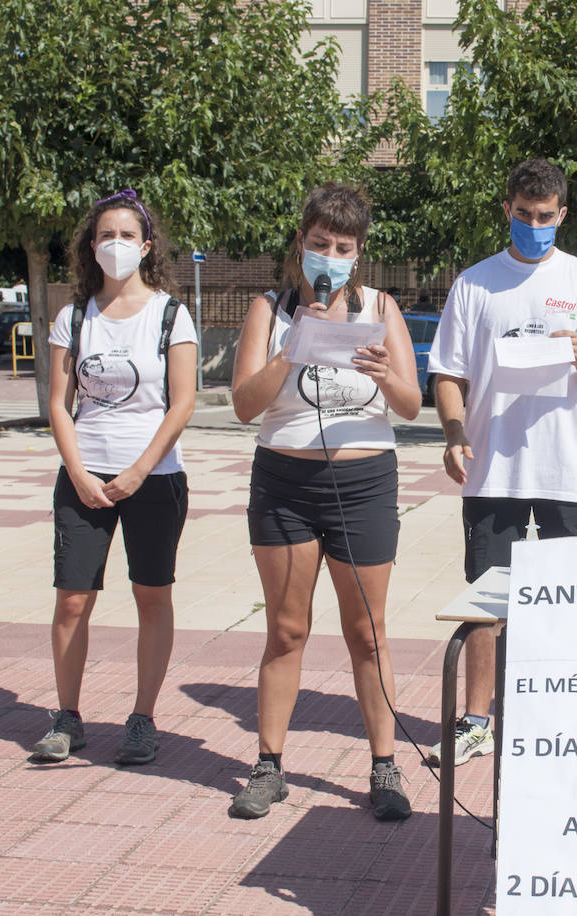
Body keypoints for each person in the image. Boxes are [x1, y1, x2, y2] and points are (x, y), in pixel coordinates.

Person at [424, 158, 577, 767]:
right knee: (488, 604)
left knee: (573, 600)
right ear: (507, 210)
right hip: (493, 471)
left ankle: (562, 716)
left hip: (568, 472)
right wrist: (454, 432)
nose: (534, 225)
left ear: (562, 215)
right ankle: (478, 722)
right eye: (524, 215)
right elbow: (447, 373)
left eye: (546, 217)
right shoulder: (475, 282)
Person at [228, 183, 421, 821]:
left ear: (358, 254)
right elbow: (244, 405)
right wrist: (292, 350)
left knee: (368, 632)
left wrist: (383, 373)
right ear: (301, 244)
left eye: (342, 247)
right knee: (286, 629)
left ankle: (385, 766)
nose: (329, 257)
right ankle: (269, 765)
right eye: (318, 244)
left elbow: (411, 405)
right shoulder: (271, 308)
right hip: (284, 481)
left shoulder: (382, 308)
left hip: (363, 482)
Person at [31, 189, 197, 767]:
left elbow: (182, 404)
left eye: (128, 235)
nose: (116, 245)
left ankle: (142, 719)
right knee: (72, 599)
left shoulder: (171, 314)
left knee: (151, 597)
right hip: (83, 477)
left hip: (153, 478)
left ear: (146, 245)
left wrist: (137, 472)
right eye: (106, 235)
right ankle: (67, 717)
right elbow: (58, 402)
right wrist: (78, 472)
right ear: (90, 245)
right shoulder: (72, 317)